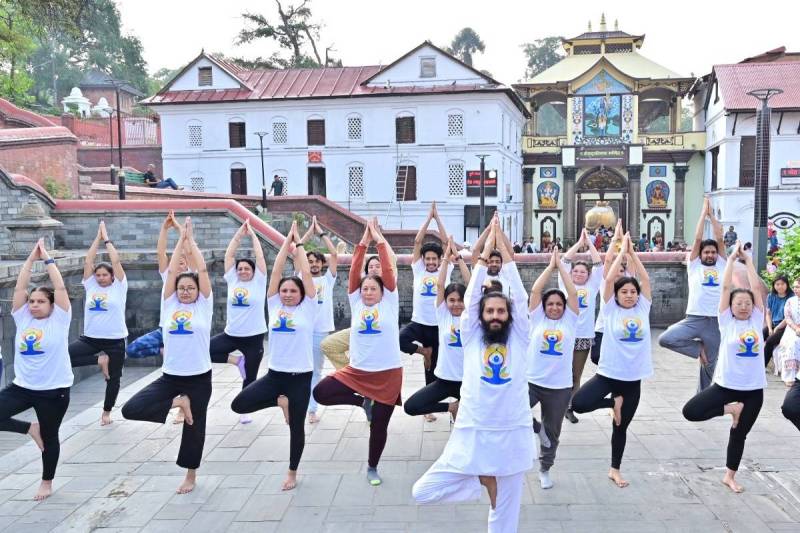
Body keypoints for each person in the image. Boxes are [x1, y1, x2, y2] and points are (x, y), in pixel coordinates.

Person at [412, 218, 533, 532]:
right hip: (473, 430)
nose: (495, 316)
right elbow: (470, 302)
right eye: (489, 311)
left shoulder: (520, 336)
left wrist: (503, 255)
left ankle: (488, 482)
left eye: (500, 312)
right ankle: (481, 478)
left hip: (512, 432)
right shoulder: (471, 337)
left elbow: (519, 297)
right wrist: (480, 259)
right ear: (481, 316)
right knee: (421, 491)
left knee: (505, 518)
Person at [121, 217, 212, 494]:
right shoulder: (169, 305)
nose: (185, 291)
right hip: (171, 377)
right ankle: (178, 403)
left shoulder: (203, 307)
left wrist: (189, 241)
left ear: (198, 291)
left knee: (194, 429)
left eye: (190, 288)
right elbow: (171, 272)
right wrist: (176, 241)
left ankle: (190, 475)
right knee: (130, 409)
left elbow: (203, 271)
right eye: (181, 288)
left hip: (198, 377)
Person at [313, 218, 401, 486]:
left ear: (382, 290)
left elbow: (386, 268)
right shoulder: (356, 302)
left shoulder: (390, 301)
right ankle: (362, 401)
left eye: (373, 288)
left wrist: (380, 241)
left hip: (387, 373)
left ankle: (372, 467)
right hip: (358, 371)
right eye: (365, 288)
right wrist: (362, 243)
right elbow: (353, 271)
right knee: (321, 392)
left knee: (379, 426)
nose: (369, 292)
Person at [231, 221, 317, 491]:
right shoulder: (274, 303)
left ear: (301, 294)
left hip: (300, 377)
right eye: (284, 290)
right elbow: (278, 271)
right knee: (239, 405)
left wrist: (299, 245)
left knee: (297, 428)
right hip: (275, 375)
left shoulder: (308, 309)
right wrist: (284, 244)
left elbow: (303, 271)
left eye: (293, 291)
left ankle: (292, 471)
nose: (288, 294)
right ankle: (280, 402)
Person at [682, 241, 766, 493]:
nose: (743, 306)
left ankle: (730, 476)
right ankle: (731, 409)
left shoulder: (757, 319)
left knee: (739, 434)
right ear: (730, 307)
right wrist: (729, 261)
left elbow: (755, 288)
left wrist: (748, 260)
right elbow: (726, 287)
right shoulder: (726, 322)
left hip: (753, 390)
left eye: (747, 303)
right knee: (691, 411)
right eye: (738, 303)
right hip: (725, 387)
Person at [572, 233, 652, 488]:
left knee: (621, 427)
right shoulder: (609, 310)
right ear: (616, 296)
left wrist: (632, 254)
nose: (629, 295)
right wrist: (620, 254)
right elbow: (607, 279)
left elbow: (645, 279)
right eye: (624, 292)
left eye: (632, 292)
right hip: (608, 374)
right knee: (579, 403)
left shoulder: (642, 308)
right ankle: (612, 402)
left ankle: (615, 469)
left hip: (633, 379)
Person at [3, 239, 73, 501]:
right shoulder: (22, 317)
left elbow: (60, 286)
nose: (33, 305)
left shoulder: (60, 319)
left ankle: (47, 481)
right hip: (22, 387)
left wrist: (48, 261)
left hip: (54, 391)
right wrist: (30, 261)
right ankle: (28, 429)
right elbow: (20, 286)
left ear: (51, 305)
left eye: (40, 302)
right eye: (31, 301)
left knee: (50, 436)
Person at [659, 197, 727, 392]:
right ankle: (699, 350)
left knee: (709, 367)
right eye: (707, 252)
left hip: (716, 322)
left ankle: (701, 400)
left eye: (713, 252)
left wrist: (712, 215)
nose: (710, 255)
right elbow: (697, 239)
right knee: (666, 339)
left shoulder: (722, 265)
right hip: (694, 318)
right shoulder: (694, 265)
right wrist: (702, 214)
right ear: (701, 254)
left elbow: (719, 238)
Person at [527, 248, 579, 489]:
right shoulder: (537, 319)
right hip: (532, 382)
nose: (555, 307)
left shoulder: (570, 320)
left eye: (559, 304)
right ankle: (536, 428)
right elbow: (536, 291)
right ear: (544, 306)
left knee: (553, 433)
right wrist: (551, 266)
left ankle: (545, 468)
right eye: (551, 304)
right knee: (509, 409)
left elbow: (572, 292)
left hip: (559, 388)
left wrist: (563, 269)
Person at [68, 221, 127, 426]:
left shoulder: (119, 287)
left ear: (112, 276)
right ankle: (98, 361)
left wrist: (107, 239)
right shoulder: (91, 285)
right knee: (63, 356)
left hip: (115, 340)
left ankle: (106, 413)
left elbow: (116, 262)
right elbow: (88, 261)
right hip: (91, 339)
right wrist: (97, 238)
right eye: (98, 274)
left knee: (114, 378)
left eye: (105, 275)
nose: (101, 278)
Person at [404, 237, 470, 422]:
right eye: (452, 300)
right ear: (445, 302)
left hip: (468, 381)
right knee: (411, 406)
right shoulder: (443, 316)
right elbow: (440, 286)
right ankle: (452, 407)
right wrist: (446, 260)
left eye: (460, 300)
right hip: (444, 380)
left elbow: (472, 286)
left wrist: (459, 258)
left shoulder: (471, 317)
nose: (456, 304)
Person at [209, 219, 267, 425]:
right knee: (203, 349)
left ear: (253, 271)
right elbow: (229, 256)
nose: (242, 271)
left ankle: (244, 410)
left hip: (253, 337)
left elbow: (259, 256)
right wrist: (238, 235)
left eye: (246, 269)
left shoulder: (259, 282)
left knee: (249, 378)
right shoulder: (232, 279)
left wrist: (253, 237)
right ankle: (236, 361)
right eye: (240, 269)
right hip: (231, 334)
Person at [399, 202, 451, 421]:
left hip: (439, 326)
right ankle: (424, 352)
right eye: (427, 258)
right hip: (419, 322)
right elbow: (418, 241)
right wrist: (427, 219)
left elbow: (448, 243)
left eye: (434, 259)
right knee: (400, 340)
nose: (430, 262)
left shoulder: (445, 271)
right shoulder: (418, 269)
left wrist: (438, 220)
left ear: (439, 260)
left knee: (433, 371)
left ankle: (429, 408)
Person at [126, 211, 195, 362]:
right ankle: (166, 350)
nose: (177, 265)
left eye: (181, 263)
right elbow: (160, 252)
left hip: (185, 329)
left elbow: (190, 251)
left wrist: (178, 228)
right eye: (174, 263)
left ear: (187, 266)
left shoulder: (191, 278)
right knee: (132, 349)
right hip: (164, 330)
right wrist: (164, 229)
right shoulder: (167, 277)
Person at [318, 250, 396, 371]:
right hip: (359, 329)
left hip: (382, 331)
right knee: (328, 345)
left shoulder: (390, 288)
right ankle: (352, 373)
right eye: (371, 267)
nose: (374, 269)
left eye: (377, 266)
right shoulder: (362, 285)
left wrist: (379, 237)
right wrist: (362, 246)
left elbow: (391, 260)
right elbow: (355, 270)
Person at [561, 228, 603, 423]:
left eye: (582, 272)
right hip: (564, 334)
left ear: (588, 275)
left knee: (575, 374)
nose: (578, 274)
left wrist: (591, 244)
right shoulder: (566, 284)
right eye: (575, 271)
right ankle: (557, 405)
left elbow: (599, 264)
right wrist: (579, 243)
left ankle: (570, 407)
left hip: (583, 336)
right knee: (561, 372)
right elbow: (563, 262)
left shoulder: (591, 287)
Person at [299, 216, 338, 424]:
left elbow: (333, 253)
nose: (313, 265)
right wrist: (307, 234)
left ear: (322, 264)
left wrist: (320, 232)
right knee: (300, 370)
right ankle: (300, 404)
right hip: (301, 331)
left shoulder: (327, 280)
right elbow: (295, 250)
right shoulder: (301, 278)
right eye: (309, 262)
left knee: (315, 371)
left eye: (316, 262)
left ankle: (312, 409)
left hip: (320, 331)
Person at [775, 278, 800, 385]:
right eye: (794, 287)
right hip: (792, 329)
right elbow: (788, 318)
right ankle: (790, 376)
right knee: (793, 344)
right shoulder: (790, 301)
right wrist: (796, 328)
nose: (795, 289)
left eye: (798, 287)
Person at [764, 275, 791, 368]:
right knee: (757, 336)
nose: (780, 286)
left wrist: (777, 327)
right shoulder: (771, 296)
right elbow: (768, 313)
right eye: (777, 284)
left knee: (769, 341)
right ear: (774, 285)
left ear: (787, 284)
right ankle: (752, 361)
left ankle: (762, 366)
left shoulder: (791, 297)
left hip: (786, 326)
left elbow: (789, 317)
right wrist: (769, 327)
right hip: (773, 324)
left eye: (782, 284)